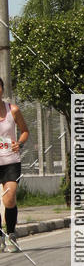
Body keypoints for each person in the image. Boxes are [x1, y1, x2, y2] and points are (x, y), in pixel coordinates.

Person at [0, 77, 29, 252]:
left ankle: (11, 234)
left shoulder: (13, 110)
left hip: (11, 161)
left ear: (2, 89)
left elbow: (25, 131)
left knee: (9, 198)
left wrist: (20, 143)